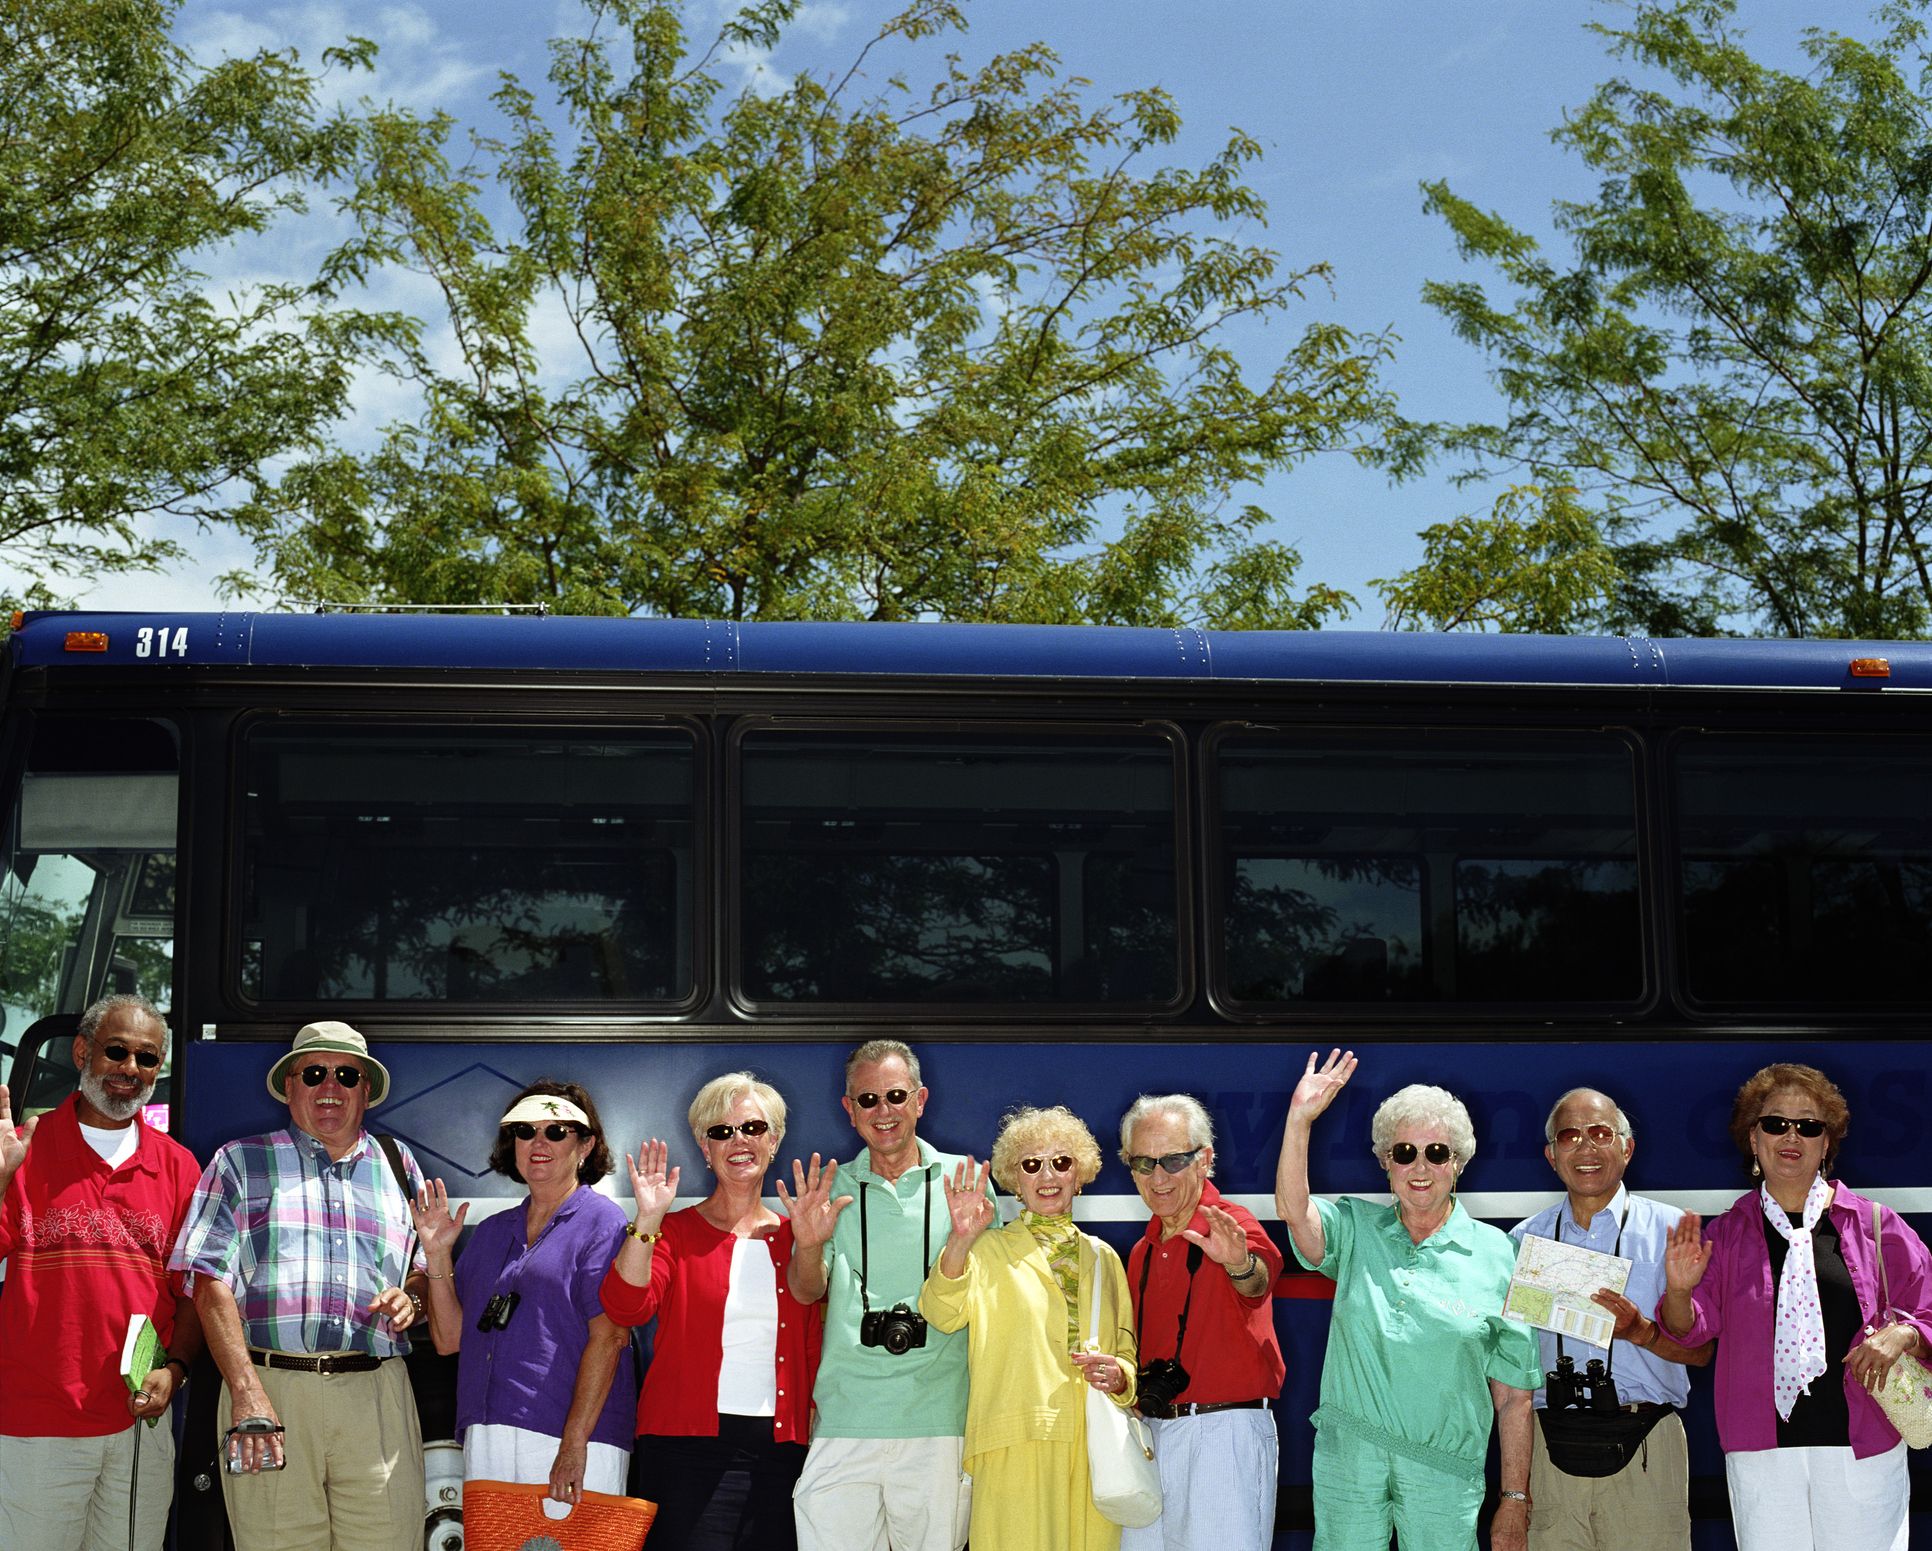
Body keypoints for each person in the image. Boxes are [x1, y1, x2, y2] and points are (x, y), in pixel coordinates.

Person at [169, 1020, 428, 1550]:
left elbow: (421, 1271)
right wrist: (245, 1392)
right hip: (270, 1394)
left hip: (377, 1397)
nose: (329, 1087)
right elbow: (207, 1281)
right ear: (290, 1086)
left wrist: (413, 1298)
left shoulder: (400, 1165)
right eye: (313, 1073)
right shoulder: (239, 1162)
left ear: (366, 1092)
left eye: (346, 1076)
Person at [1656, 1062, 1932, 1551]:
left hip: (1862, 1448)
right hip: (1763, 1453)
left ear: (1826, 1144)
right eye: (1775, 1122)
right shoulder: (1726, 1233)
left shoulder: (1875, 1224)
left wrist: (1904, 1334)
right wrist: (1678, 1292)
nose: (1792, 1135)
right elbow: (1689, 1333)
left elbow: (1927, 1310)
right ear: (1753, 1139)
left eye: (1809, 1125)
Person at [1274, 1050, 1539, 1551]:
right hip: (1349, 1463)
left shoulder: (1504, 1255)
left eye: (1437, 1153)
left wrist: (1514, 1498)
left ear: (1457, 1164)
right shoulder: (1355, 1228)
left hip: (1446, 1476)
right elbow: (1294, 1210)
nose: (1421, 1167)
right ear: (1385, 1165)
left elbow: (1514, 1397)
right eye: (1404, 1153)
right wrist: (1299, 1120)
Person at [0, 993, 204, 1551]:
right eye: (117, 1051)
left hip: (139, 1429)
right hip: (36, 1426)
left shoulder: (180, 1167)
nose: (130, 1070)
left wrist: (178, 1369)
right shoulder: (22, 1151)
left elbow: (193, 1294)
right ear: (82, 1051)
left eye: (147, 1058)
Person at [600, 1070, 823, 1550]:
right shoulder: (674, 1232)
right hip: (685, 1449)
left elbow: (815, 1334)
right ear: (705, 1148)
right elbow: (626, 1306)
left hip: (781, 1449)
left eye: (753, 1128)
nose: (738, 1140)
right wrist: (646, 1220)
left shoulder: (799, 1236)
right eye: (720, 1132)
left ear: (775, 1140)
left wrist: (809, 1245)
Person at [783, 1039, 986, 1551]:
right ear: (849, 1111)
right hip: (845, 1419)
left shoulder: (964, 1184)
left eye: (895, 1096)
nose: (884, 1111)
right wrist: (808, 1244)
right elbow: (808, 1292)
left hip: (939, 1423)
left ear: (920, 1100)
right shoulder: (831, 1189)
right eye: (868, 1100)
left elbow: (991, 1306)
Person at [919, 1104, 1137, 1551]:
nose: (1047, 1175)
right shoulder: (985, 1249)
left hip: (1093, 1443)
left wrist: (1120, 1376)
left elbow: (1127, 1353)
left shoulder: (1105, 1257)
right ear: (1014, 1181)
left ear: (1080, 1174)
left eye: (1061, 1161)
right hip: (1013, 1438)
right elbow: (940, 1312)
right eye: (1031, 1165)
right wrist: (960, 1239)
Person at [413, 1079, 635, 1507]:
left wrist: (572, 1445)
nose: (538, 1142)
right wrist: (438, 1255)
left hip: (570, 1439)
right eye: (524, 1131)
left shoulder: (603, 1223)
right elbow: (449, 1340)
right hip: (489, 1434)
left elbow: (610, 1338)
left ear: (585, 1146)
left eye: (556, 1132)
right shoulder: (493, 1231)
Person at [1507, 1088, 1712, 1551]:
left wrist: (1643, 1333)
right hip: (1546, 1451)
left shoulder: (1673, 1232)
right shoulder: (1522, 1244)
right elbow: (1506, 1371)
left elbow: (1703, 1353)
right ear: (1550, 1155)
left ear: (1626, 1147)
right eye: (1569, 1136)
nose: (1585, 1148)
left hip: (1645, 1451)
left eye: (1600, 1133)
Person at [1115, 1093, 1283, 1551]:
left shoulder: (1232, 1224)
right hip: (1154, 1434)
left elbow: (1258, 1281)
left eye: (1173, 1159)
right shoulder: (1141, 1251)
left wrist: (1238, 1264)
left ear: (1205, 1160)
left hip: (1222, 1436)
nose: (1159, 1176)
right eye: (1144, 1163)